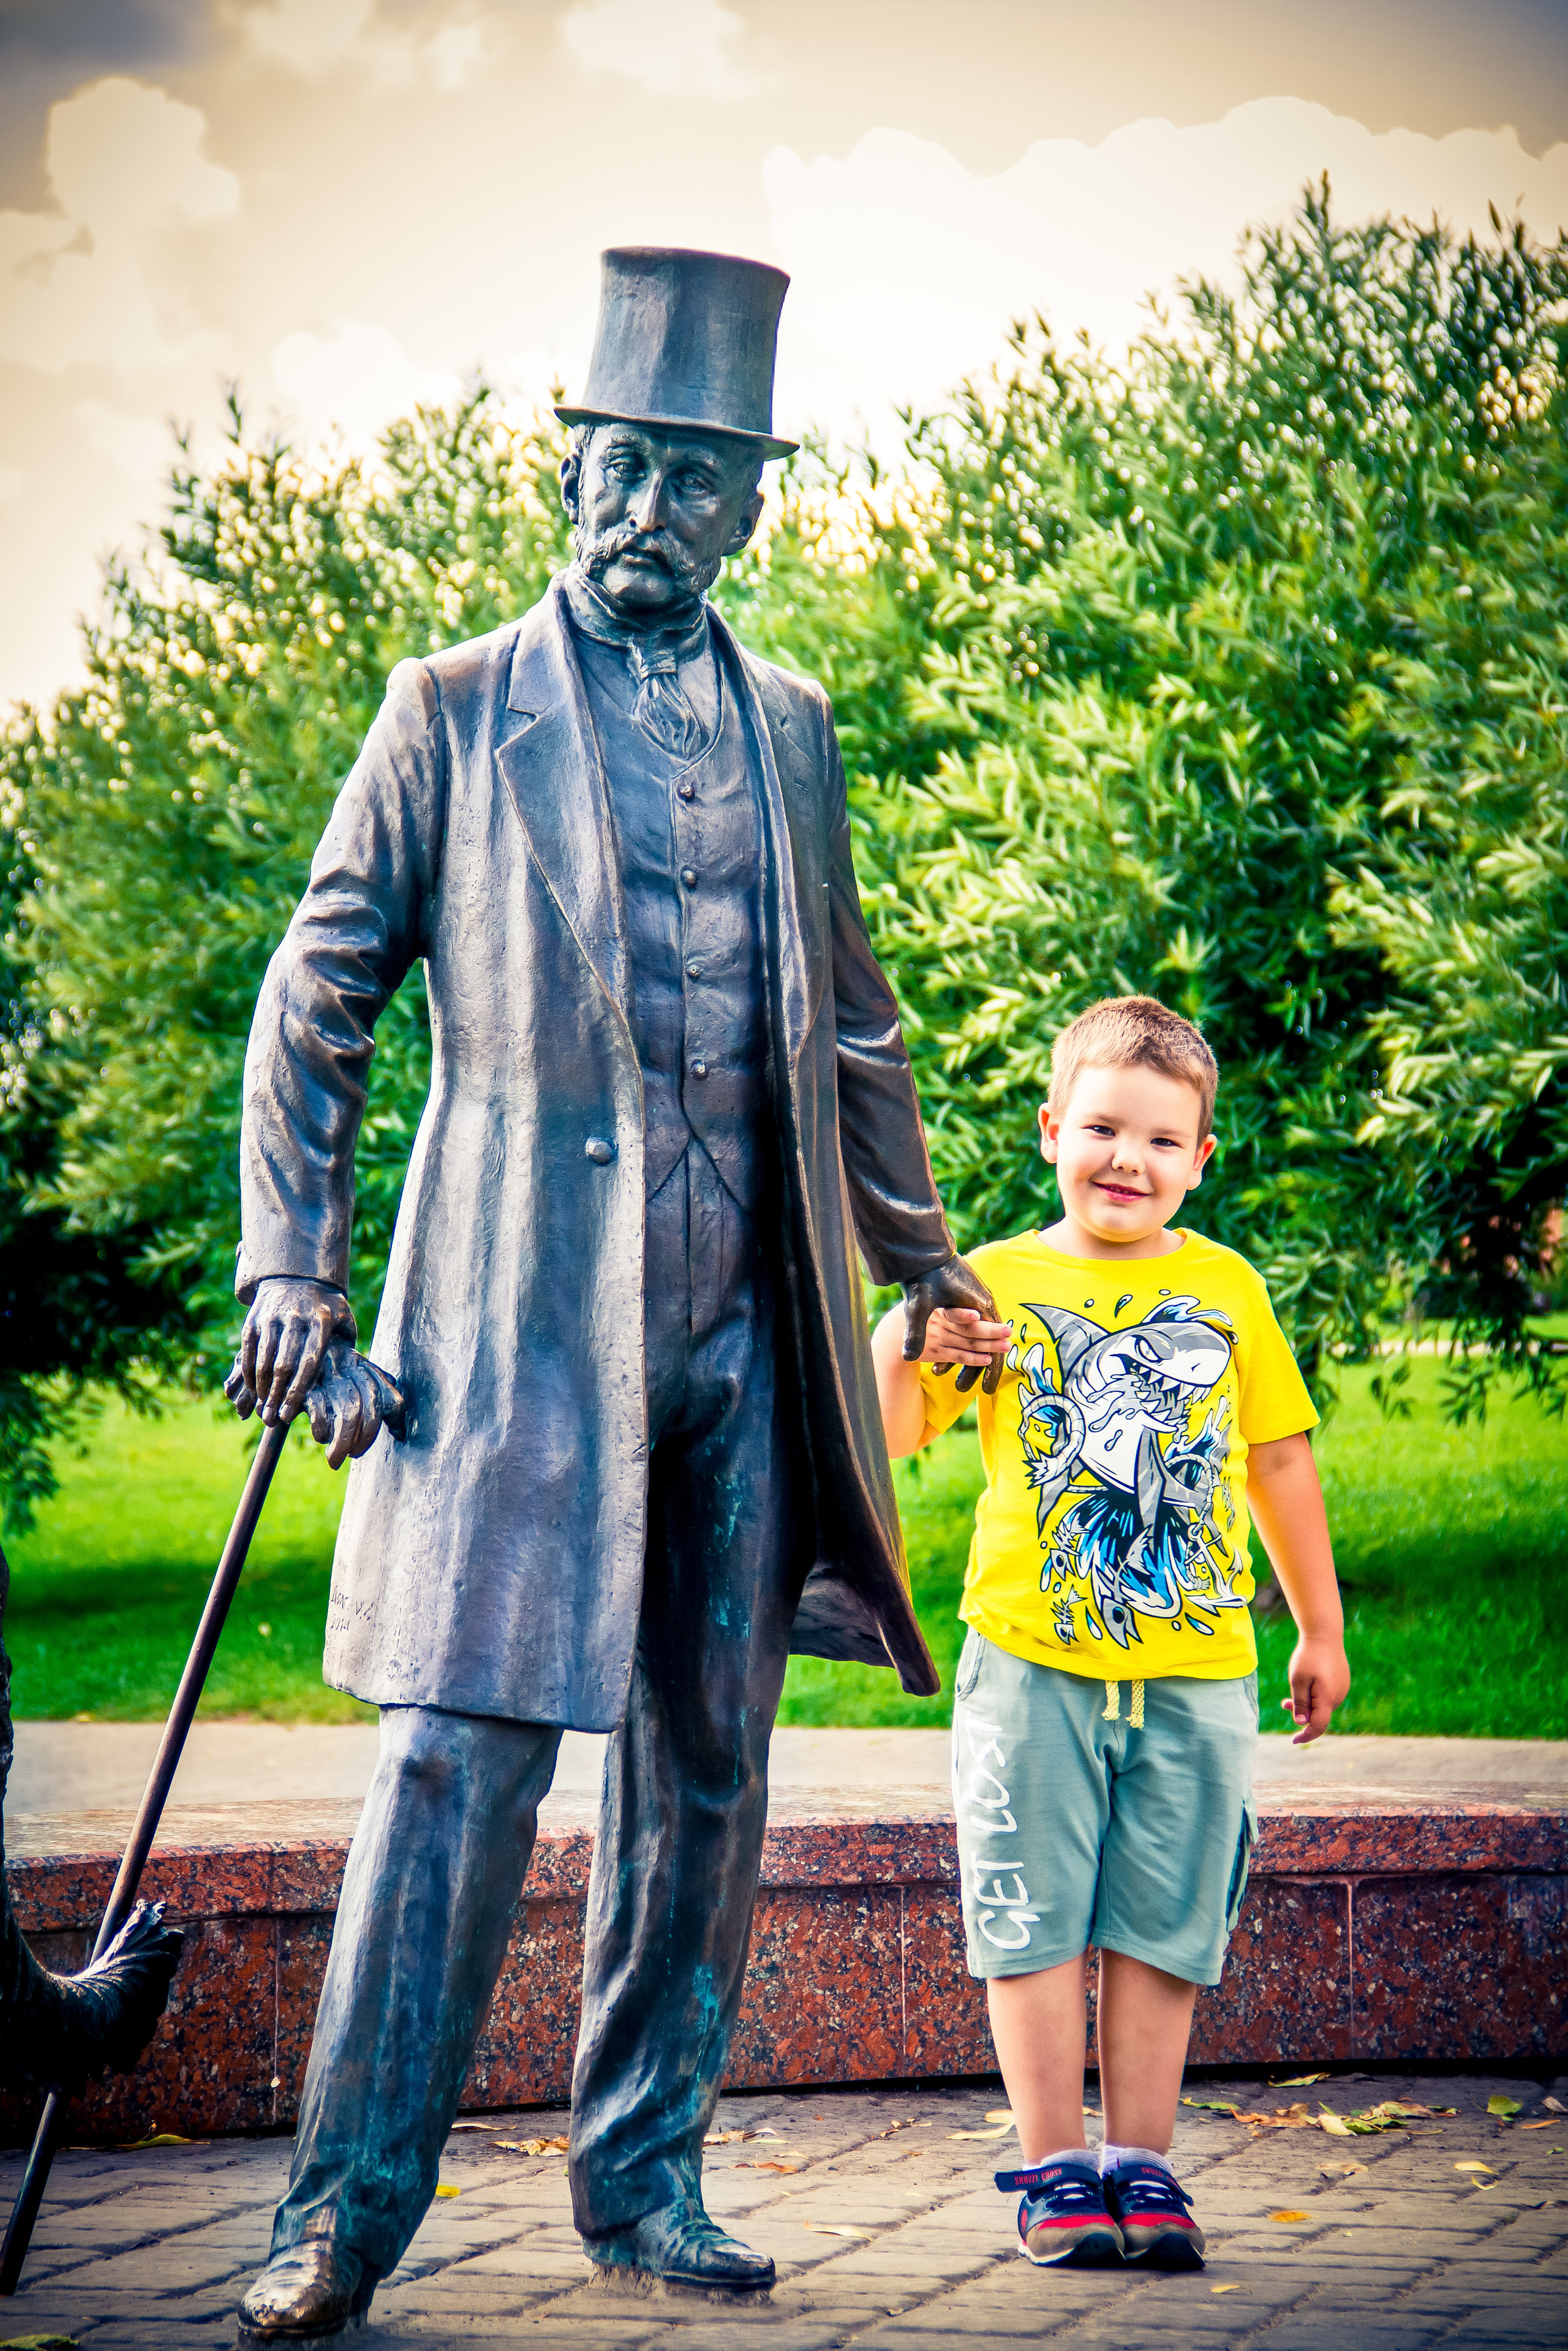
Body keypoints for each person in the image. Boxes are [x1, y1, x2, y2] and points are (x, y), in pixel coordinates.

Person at [226, 247, 998, 2342]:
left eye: (692, 476)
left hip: (748, 1325)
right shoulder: (453, 708)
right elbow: (318, 995)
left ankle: (644, 2170)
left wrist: (923, 1261)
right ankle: (338, 2212)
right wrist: (289, 1255)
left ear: (750, 504)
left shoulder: (796, 725)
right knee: (455, 1764)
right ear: (571, 471)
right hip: (515, 1328)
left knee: (710, 1762)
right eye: (619, 464)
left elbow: (851, 1030)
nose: (646, 506)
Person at [871, 994, 1350, 2272]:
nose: (1123, 1158)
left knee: (1160, 1920)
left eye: (1156, 1137)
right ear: (1048, 1130)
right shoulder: (997, 1284)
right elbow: (894, 1429)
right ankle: (1053, 2166)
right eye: (1098, 1127)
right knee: (1027, 1911)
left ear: (1201, 1156)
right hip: (1031, 1660)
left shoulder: (1225, 1287)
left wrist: (1317, 1624)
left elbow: (1277, 1460)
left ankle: (1141, 2161)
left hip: (1195, 1670)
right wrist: (905, 1334)